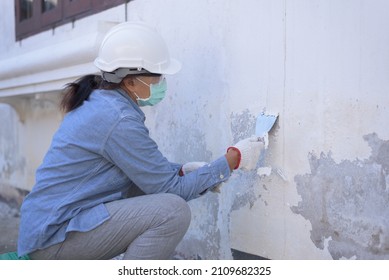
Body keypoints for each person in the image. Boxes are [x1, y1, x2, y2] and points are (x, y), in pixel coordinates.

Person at [17, 22, 264, 260]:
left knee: (143, 188)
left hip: (48, 229)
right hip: (54, 241)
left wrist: (182, 170)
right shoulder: (118, 118)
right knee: (172, 211)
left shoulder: (102, 102)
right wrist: (232, 160)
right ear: (130, 80)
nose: (161, 83)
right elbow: (169, 190)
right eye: (156, 76)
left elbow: (147, 172)